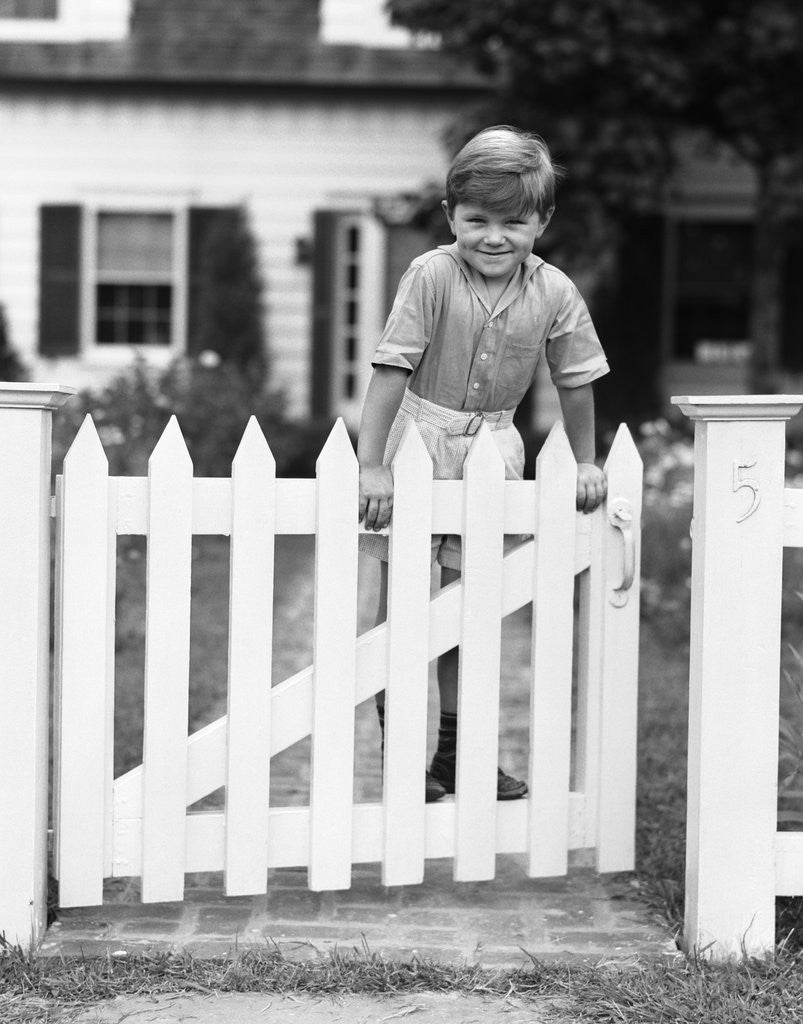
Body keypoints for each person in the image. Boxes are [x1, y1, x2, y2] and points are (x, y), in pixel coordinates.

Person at [357, 125, 609, 803]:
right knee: (404, 607)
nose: (493, 237)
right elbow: (391, 367)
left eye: (513, 222)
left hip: (492, 454)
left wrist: (584, 461)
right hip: (419, 442)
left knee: (469, 614)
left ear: (542, 221)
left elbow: (575, 377)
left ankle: (455, 755)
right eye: (476, 220)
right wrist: (372, 464)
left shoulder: (553, 292)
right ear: (449, 217)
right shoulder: (431, 273)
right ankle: (403, 752)